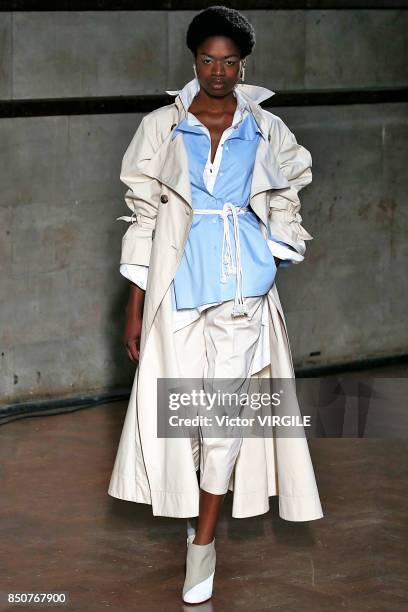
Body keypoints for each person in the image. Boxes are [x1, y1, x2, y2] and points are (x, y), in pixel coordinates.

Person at [109, 5, 324, 604]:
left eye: (230, 61)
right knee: (192, 418)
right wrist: (134, 308)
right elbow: (142, 217)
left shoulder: (266, 127)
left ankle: (202, 542)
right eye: (208, 59)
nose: (219, 72)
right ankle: (196, 512)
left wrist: (272, 252)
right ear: (193, 59)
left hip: (241, 294)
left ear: (243, 63)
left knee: (226, 415)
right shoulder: (161, 126)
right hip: (177, 290)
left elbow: (288, 191)